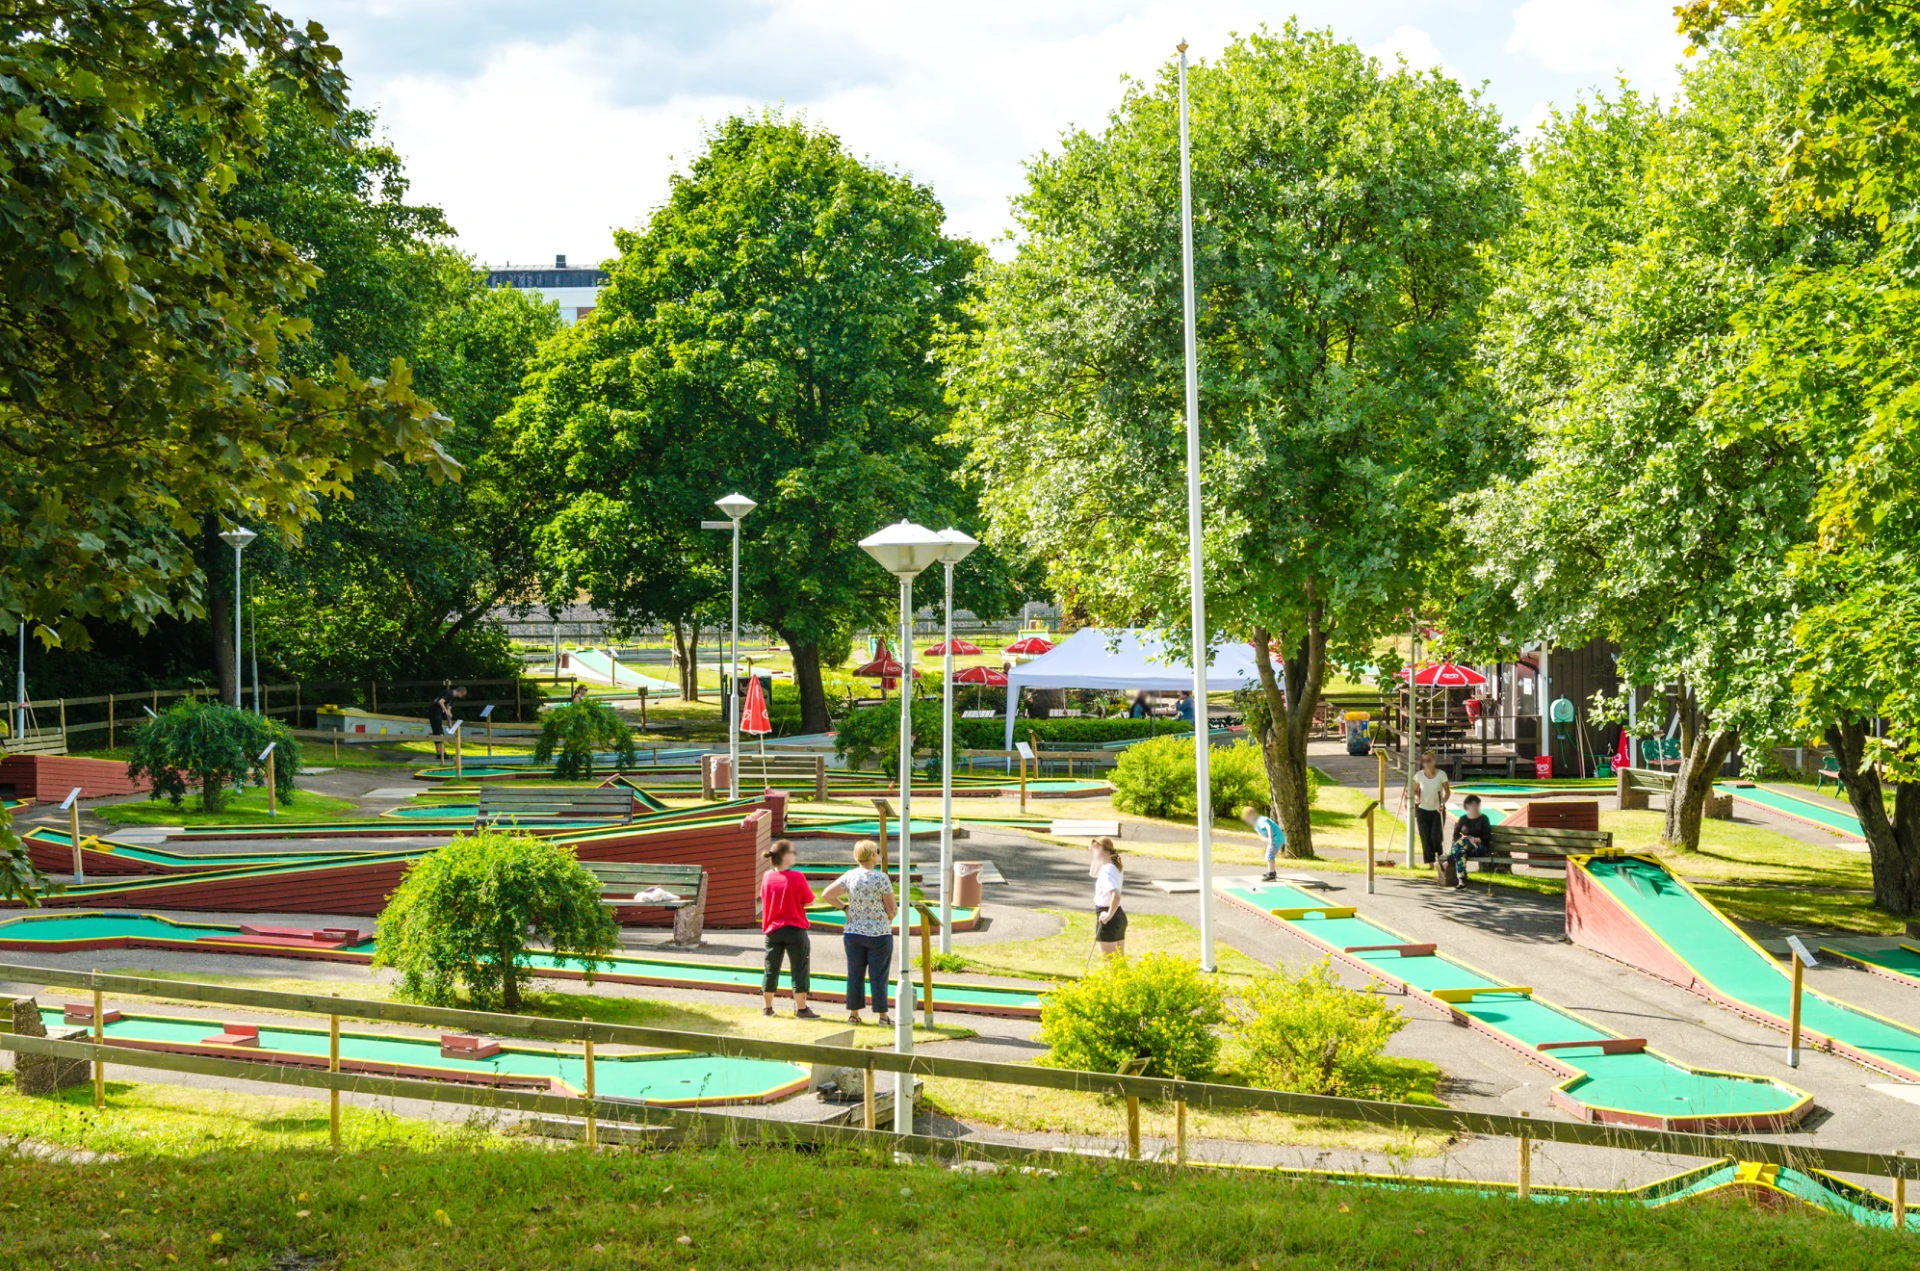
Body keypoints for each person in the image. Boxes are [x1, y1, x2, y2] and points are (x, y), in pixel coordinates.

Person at [818, 839, 898, 1027]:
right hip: (879, 934)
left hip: (854, 932)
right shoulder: (881, 878)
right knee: (879, 975)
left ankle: (853, 1015)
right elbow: (892, 907)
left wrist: (845, 908)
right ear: (872, 855)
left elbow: (827, 894)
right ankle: (882, 1017)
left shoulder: (850, 876)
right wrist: (889, 919)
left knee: (855, 974)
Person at [759, 839, 819, 1019]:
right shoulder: (797, 876)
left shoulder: (767, 876)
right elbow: (810, 900)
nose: (794, 855)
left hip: (772, 930)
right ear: (785, 856)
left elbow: (764, 897)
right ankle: (801, 1009)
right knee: (799, 968)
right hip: (794, 928)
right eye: (792, 852)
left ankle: (767, 1008)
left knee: (771, 968)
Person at [1446, 795, 1494, 889]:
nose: (1474, 807)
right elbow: (1456, 835)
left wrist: (1475, 839)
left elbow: (1487, 837)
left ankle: (1447, 862)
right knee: (1462, 851)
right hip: (1464, 847)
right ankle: (1461, 881)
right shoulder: (1463, 819)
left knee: (1463, 845)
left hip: (1479, 847)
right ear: (1467, 806)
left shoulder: (1484, 819)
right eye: (1472, 805)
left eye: (1476, 805)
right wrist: (1464, 838)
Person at [1089, 837, 1127, 955]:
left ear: (1103, 850)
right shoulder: (1112, 866)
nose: (1093, 853)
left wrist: (1108, 915)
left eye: (1095, 850)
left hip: (1108, 916)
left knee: (1110, 962)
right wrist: (1096, 857)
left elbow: (1115, 895)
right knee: (1118, 962)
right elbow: (1093, 873)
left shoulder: (1107, 871)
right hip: (1118, 916)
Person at [1413, 752, 1451, 865]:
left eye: (1428, 760)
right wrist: (1416, 798)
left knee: (1435, 835)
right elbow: (1414, 791)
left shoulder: (1441, 774)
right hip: (1423, 810)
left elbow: (1447, 792)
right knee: (1425, 836)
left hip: (1437, 810)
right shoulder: (1419, 775)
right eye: (1423, 761)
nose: (1426, 763)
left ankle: (1440, 857)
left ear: (1434, 761)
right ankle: (1430, 862)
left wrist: (1442, 803)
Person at [428, 685, 467, 761]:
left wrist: (450, 723)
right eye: (462, 695)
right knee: (439, 732)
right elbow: (440, 702)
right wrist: (446, 712)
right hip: (434, 711)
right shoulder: (449, 693)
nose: (461, 697)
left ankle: (440, 753)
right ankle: (442, 753)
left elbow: (449, 709)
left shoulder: (451, 698)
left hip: (438, 713)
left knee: (438, 731)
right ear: (460, 692)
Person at [1255, 815, 1285, 881]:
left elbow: (1268, 827)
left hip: (1277, 839)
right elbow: (1262, 836)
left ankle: (1271, 875)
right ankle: (1272, 872)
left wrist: (1270, 838)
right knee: (1269, 855)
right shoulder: (1256, 825)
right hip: (1274, 840)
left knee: (1269, 855)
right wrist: (1267, 839)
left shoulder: (1261, 820)